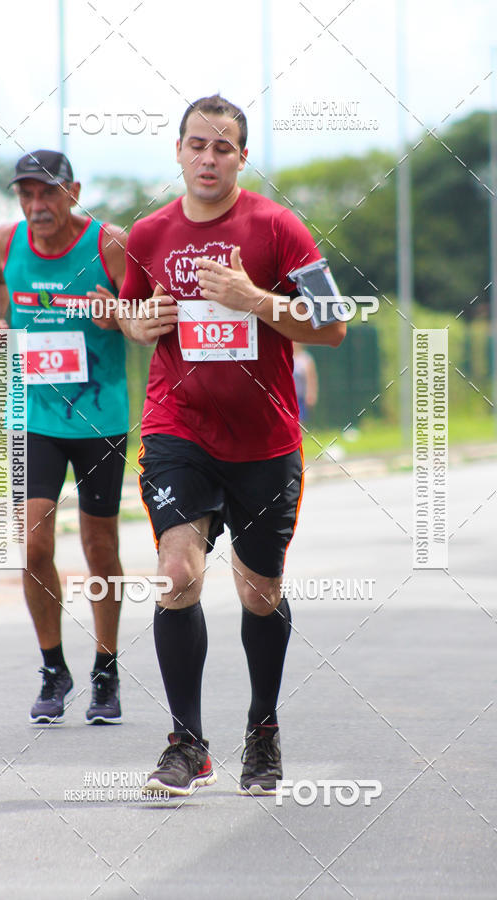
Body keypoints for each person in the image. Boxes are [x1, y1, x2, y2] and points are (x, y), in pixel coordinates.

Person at [106, 95, 346, 795]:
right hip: (177, 428)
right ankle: (187, 744)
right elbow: (130, 310)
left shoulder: (278, 227)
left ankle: (262, 729)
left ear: (242, 157)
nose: (208, 158)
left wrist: (256, 300)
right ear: (178, 151)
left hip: (265, 441)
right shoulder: (151, 233)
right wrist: (136, 322)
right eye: (197, 145)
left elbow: (333, 323)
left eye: (222, 147)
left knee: (259, 592)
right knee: (177, 573)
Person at [0, 149, 129, 725]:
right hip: (31, 414)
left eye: (47, 193)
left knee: (100, 547)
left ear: (74, 192)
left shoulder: (108, 244)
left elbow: (144, 311)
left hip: (99, 417)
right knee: (33, 543)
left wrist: (117, 313)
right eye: (27, 194)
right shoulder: (6, 241)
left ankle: (106, 670)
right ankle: (53, 668)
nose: (37, 205)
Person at [293, 343, 319, 422]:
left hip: (300, 398)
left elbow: (311, 379)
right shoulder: (285, 355)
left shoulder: (306, 358)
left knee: (299, 422)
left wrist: (311, 395)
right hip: (287, 397)